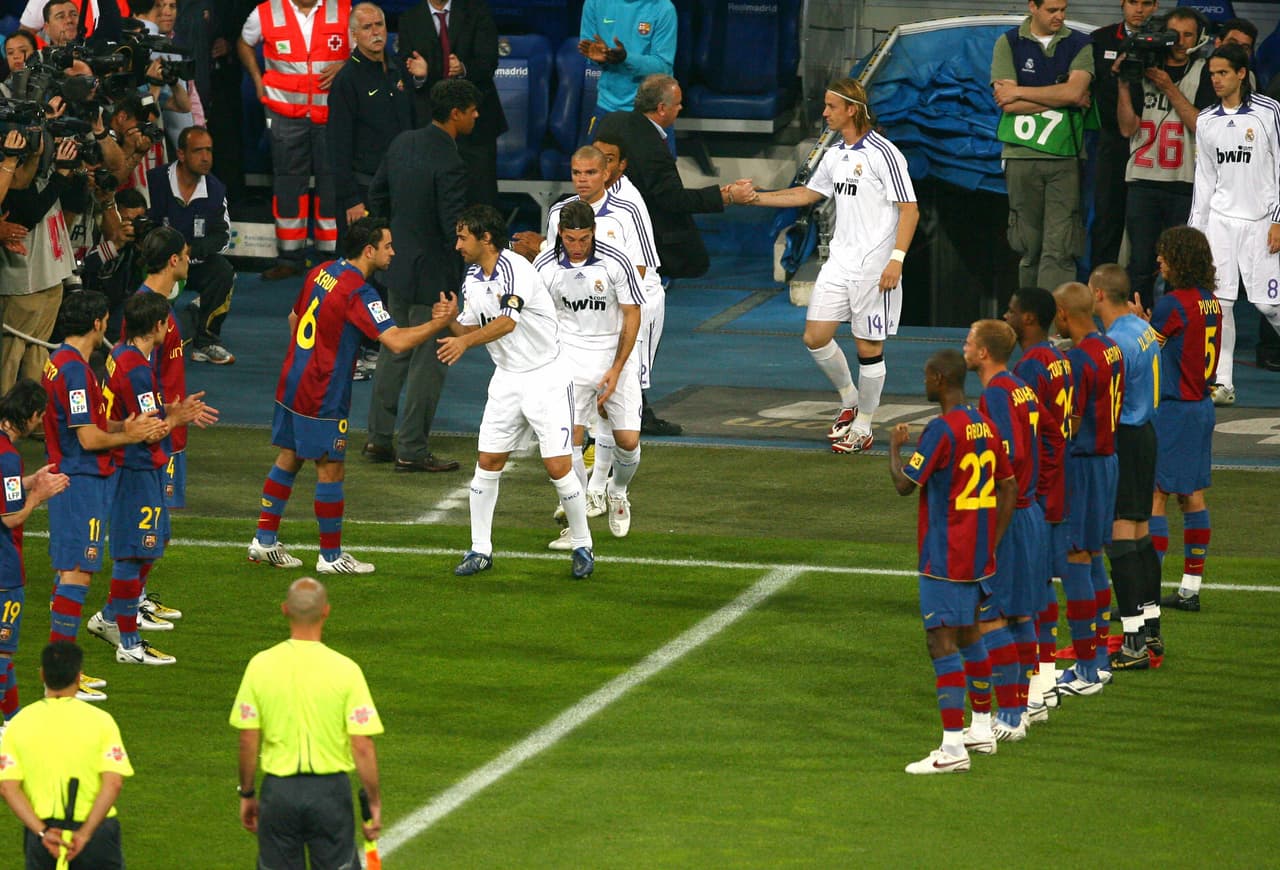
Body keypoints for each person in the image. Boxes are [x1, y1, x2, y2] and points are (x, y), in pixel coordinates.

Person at [248, 217, 453, 575]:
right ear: (369, 250)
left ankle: (264, 541)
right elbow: (397, 341)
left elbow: (294, 318)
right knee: (331, 466)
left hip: (294, 379)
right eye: (388, 246)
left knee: (291, 454)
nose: (393, 252)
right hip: (322, 389)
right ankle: (330, 557)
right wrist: (439, 323)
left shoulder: (321, 272)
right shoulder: (358, 291)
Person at [740, 78, 919, 455]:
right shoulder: (835, 152)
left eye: (830, 106)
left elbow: (909, 208)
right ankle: (850, 399)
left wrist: (896, 260)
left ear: (852, 109)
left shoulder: (884, 154)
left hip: (874, 268)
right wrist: (757, 199)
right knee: (815, 337)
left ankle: (865, 426)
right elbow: (808, 193)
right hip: (839, 262)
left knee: (868, 348)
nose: (824, 113)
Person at [435, 205, 596, 580]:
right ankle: (479, 549)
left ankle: (582, 544)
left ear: (485, 238)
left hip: (546, 377)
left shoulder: (516, 269)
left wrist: (464, 343)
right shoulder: (473, 278)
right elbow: (469, 327)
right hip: (507, 378)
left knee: (558, 466)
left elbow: (508, 322)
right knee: (487, 463)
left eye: (463, 237)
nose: (457, 244)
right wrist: (449, 322)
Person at [888, 349, 1015, 775]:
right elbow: (1009, 485)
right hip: (978, 554)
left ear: (940, 379)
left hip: (944, 556)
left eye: (927, 377)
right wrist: (992, 541)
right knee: (969, 635)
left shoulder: (941, 431)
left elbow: (906, 485)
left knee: (940, 642)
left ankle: (952, 748)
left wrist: (893, 449)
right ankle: (981, 727)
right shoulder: (984, 423)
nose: (923, 383)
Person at [42, 291, 166, 701]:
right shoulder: (75, 371)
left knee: (69, 574)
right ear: (98, 322)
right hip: (80, 480)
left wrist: (121, 425)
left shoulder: (61, 361)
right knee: (77, 575)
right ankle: (63, 682)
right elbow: (88, 436)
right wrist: (128, 433)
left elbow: (95, 422)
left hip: (73, 478)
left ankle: (64, 676)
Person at [87, 291, 207, 666]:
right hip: (134, 466)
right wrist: (176, 419)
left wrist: (169, 410)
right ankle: (129, 641)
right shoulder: (137, 368)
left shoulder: (122, 355)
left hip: (139, 464)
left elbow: (132, 413)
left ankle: (110, 615)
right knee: (133, 550)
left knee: (158, 537)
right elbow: (149, 431)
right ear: (158, 326)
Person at [363, 78, 477, 474]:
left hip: (398, 265)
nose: (477, 115)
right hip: (435, 275)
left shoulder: (402, 142)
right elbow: (452, 228)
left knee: (394, 352)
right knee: (430, 360)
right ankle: (411, 448)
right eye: (472, 109)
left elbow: (376, 195)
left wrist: (392, 243)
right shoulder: (450, 160)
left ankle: (378, 439)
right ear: (456, 113)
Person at [230, 578, 382, 870]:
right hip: (330, 794)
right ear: (326, 611)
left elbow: (248, 738)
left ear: (285, 610)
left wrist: (247, 793)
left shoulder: (260, 665)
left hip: (279, 794)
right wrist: (373, 800)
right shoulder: (346, 670)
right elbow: (362, 745)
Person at [119, 228, 219, 627]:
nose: (189, 258)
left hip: (173, 425)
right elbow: (138, 374)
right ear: (173, 260)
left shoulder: (159, 305)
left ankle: (139, 596)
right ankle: (129, 605)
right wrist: (165, 417)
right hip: (157, 432)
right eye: (185, 252)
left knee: (161, 526)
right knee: (148, 526)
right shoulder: (146, 310)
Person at [535, 201, 645, 549]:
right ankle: (577, 523)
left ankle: (618, 490)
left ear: (593, 233)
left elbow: (632, 315)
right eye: (571, 239)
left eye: (584, 238)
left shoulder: (617, 262)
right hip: (568, 358)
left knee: (628, 440)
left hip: (614, 353)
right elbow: (540, 318)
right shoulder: (544, 268)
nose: (578, 246)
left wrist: (615, 369)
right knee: (570, 443)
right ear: (560, 235)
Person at [963, 319, 1045, 743]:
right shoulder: (1019, 387)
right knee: (1019, 613)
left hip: (1007, 516)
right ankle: (1023, 707)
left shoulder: (996, 393)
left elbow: (1004, 460)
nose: (964, 347)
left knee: (991, 616)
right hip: (1028, 512)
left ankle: (1011, 715)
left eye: (969, 342)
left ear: (984, 353)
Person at [1188, 43, 1280, 407]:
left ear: (1242, 74)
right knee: (1220, 302)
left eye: (1223, 73)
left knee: (1268, 304)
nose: (1216, 80)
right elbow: (1204, 180)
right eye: (1212, 74)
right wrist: (1197, 231)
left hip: (1261, 222)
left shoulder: (1268, 112)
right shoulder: (1206, 120)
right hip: (1221, 224)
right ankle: (1222, 382)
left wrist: (1278, 219)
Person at [237, 0, 349, 281]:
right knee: (288, 183)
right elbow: (243, 42)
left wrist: (345, 65)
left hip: (332, 113)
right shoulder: (266, 12)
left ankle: (331, 257)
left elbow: (368, 46)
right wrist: (257, 78)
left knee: (331, 183)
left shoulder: (342, 9)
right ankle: (289, 258)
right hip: (284, 111)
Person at [0, 642, 133, 870]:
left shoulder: (20, 723)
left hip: (42, 834)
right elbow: (114, 783)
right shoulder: (102, 721)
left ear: (42, 674)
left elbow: (7, 788)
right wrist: (85, 834)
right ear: (79, 676)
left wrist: (42, 833)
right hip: (98, 834)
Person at [1004, 286, 1074, 719]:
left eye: (1012, 311)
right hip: (1058, 481)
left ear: (1028, 319)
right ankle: (1046, 679)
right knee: (1042, 583)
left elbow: (1029, 436)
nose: (1006, 316)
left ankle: (1036, 689)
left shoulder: (1029, 368)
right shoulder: (1059, 358)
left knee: (1030, 589)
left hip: (1039, 490)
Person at [1115, 8, 1215, 309]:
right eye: (1175, 34)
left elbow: (1202, 125)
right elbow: (1126, 128)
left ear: (1200, 39)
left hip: (1184, 183)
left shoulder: (1205, 72)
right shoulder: (1141, 66)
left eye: (1188, 35)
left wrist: (1169, 88)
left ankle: (1175, 326)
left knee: (1179, 267)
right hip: (1143, 180)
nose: (1180, 42)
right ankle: (1138, 328)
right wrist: (1122, 84)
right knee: (1141, 263)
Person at [1052, 280, 1124, 697]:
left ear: (1063, 314)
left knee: (1076, 555)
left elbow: (1072, 422)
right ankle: (1096, 659)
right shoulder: (1110, 347)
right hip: (1108, 459)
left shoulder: (1079, 361)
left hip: (1082, 464)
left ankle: (1084, 669)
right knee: (1094, 553)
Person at [991, 0, 1093, 291]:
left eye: (1063, 9)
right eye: (1052, 10)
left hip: (1066, 156)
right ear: (1032, 7)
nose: (1059, 16)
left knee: (1060, 248)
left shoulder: (1080, 44)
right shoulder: (1008, 42)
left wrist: (1019, 92)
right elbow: (1006, 104)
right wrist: (1058, 96)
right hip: (1021, 155)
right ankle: (1030, 324)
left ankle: (1056, 330)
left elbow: (1075, 93)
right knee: (1029, 246)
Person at [1090, 263, 1161, 669]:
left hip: (1127, 437)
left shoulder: (1115, 342)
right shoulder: (1142, 328)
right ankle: (1150, 630)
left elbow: (1108, 403)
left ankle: (1133, 641)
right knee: (1141, 533)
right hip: (1147, 432)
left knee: (1121, 538)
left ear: (1099, 294)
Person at [1148, 226, 1222, 615]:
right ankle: (1191, 588)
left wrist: (1137, 322)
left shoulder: (1172, 304)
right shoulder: (1212, 301)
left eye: (1165, 253)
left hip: (1173, 408)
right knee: (1191, 494)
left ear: (1181, 258)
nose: (1159, 259)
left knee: (1155, 493)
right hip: (1202, 407)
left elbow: (1147, 351)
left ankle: (1148, 591)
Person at [0, 382, 69, 724]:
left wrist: (27, 482)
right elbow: (10, 516)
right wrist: (38, 496)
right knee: (1, 654)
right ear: (28, 415)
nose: (41, 422)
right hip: (4, 571)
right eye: (40, 416)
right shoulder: (7, 455)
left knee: (5, 655)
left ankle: (12, 723)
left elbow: (4, 487)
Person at [397, 0, 506, 208]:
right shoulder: (409, 19)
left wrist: (464, 68)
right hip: (432, 126)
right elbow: (406, 71)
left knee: (482, 201)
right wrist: (420, 76)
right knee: (434, 201)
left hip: (476, 126)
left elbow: (488, 61)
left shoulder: (477, 11)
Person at [146, 125, 237, 365]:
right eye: (198, 151)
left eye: (209, 150)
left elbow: (222, 236)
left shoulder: (215, 190)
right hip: (157, 265)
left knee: (224, 272)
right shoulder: (155, 182)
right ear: (182, 154)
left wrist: (192, 251)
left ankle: (207, 341)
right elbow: (142, 224)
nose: (206, 157)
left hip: (193, 264)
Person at [327, 2, 414, 244]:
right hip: (364, 190)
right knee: (360, 266)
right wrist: (350, 199)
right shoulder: (346, 80)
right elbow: (338, 145)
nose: (375, 32)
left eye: (379, 25)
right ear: (354, 35)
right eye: (367, 27)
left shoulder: (400, 70)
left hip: (400, 187)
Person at [1090, 0, 1159, 268]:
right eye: (1133, 2)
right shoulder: (1101, 39)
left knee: (1147, 223)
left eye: (1146, 3)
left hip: (1153, 142)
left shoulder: (1165, 41)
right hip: (1112, 141)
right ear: (1122, 3)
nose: (1139, 9)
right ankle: (1099, 294)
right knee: (1106, 218)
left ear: (1155, 6)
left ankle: (1144, 299)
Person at [578, 0, 676, 117]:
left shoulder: (663, 7)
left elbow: (663, 66)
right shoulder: (593, 3)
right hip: (607, 106)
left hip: (653, 109)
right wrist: (602, 57)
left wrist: (626, 59)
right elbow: (589, 51)